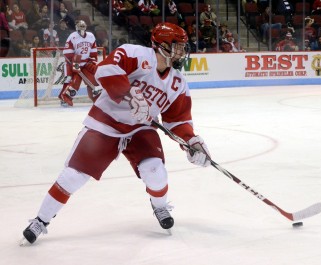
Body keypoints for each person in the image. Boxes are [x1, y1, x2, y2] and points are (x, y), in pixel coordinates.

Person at [21, 22, 211, 245]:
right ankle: (41, 220)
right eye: (178, 46)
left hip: (141, 128)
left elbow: (178, 120)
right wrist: (130, 94)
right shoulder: (136, 54)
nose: (182, 51)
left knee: (155, 171)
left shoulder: (178, 83)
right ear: (161, 45)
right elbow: (105, 70)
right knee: (73, 176)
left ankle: (160, 207)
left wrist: (191, 142)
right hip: (106, 123)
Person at [58, 20, 99, 107]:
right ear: (76, 28)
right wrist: (75, 61)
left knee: (93, 80)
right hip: (73, 62)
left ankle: (97, 98)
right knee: (72, 80)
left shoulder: (91, 36)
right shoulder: (72, 36)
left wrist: (92, 61)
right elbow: (67, 52)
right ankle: (64, 98)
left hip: (86, 63)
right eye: (80, 27)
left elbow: (93, 51)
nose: (82, 29)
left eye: (83, 26)